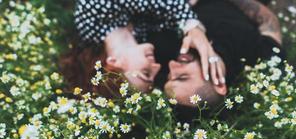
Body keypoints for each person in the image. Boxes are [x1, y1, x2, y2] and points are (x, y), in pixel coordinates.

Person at [63, 0, 224, 97]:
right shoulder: (141, 37)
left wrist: (193, 27)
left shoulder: (92, 14)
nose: (158, 66)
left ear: (113, 62)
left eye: (146, 73)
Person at [162, 0, 285, 107]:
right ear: (219, 85)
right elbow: (269, 22)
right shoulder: (259, 61)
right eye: (183, 76)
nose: (172, 64)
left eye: (169, 76)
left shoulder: (172, 48)